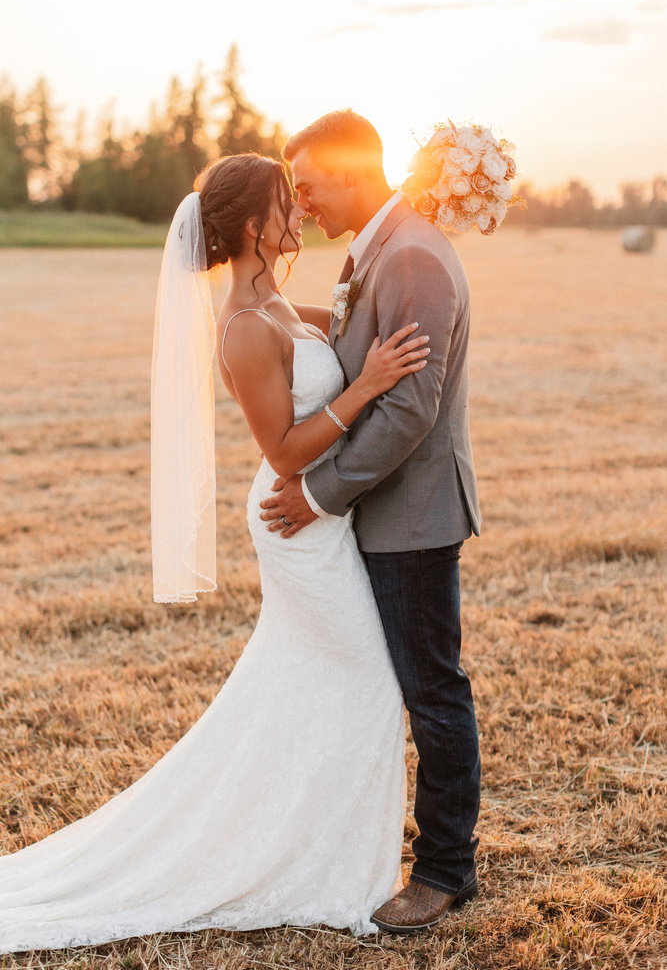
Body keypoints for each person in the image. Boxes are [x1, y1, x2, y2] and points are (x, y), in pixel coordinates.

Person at [0, 152, 431, 953]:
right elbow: (286, 449)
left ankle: (300, 847)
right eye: (285, 204)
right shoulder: (242, 326)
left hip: (322, 518)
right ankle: (331, 868)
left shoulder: (276, 304)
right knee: (370, 680)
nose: (298, 213)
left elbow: (350, 326)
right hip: (294, 520)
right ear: (251, 226)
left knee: (312, 681)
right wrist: (367, 386)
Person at [260, 110, 482, 933]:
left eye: (309, 186)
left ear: (352, 172)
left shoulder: (413, 254)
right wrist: (267, 314)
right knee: (404, 683)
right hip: (385, 511)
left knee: (432, 690)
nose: (303, 204)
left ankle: (445, 871)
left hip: (411, 515)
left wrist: (319, 493)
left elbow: (409, 409)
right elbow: (358, 349)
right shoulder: (380, 245)